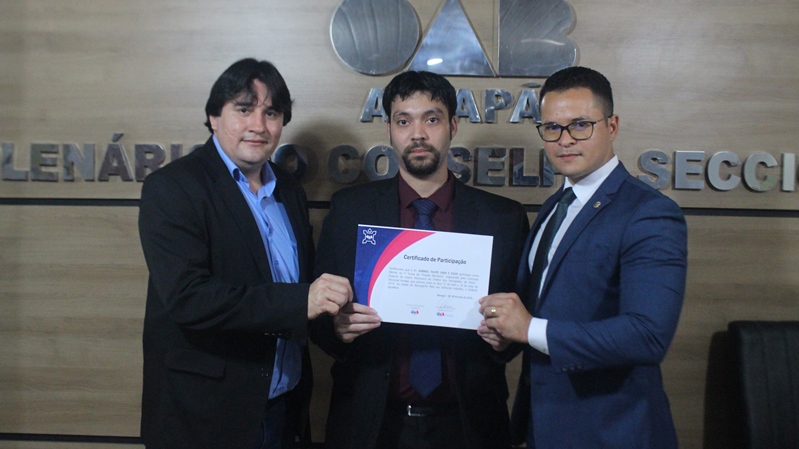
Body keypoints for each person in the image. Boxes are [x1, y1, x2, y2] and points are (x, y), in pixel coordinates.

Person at [137, 58, 352, 449]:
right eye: (243, 109)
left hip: (284, 410)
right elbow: (189, 298)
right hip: (206, 417)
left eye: (271, 113)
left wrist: (335, 324)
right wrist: (302, 301)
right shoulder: (173, 188)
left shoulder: (289, 191)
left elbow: (301, 292)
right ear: (213, 117)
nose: (259, 125)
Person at [308, 71, 529, 449]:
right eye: (403, 121)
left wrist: (502, 340)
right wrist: (338, 330)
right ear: (389, 130)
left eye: (432, 119)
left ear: (453, 126)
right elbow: (317, 319)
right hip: (370, 425)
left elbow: (521, 319)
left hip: (470, 425)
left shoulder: (503, 218)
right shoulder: (350, 211)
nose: (418, 134)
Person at [478, 66, 688, 448]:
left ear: (612, 126)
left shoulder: (649, 213)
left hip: (612, 432)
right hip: (540, 426)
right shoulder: (554, 207)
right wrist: (506, 336)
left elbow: (647, 335)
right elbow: (539, 310)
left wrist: (529, 329)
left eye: (580, 125)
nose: (565, 140)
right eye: (552, 128)